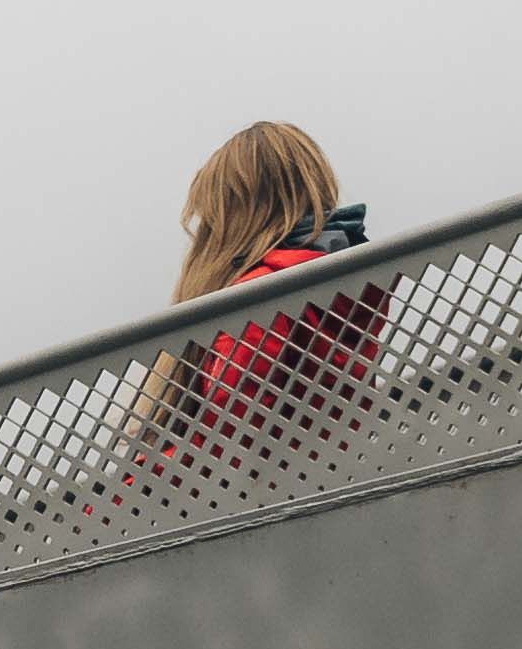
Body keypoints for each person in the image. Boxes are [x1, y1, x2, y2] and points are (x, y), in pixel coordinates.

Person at [145, 121, 384, 453]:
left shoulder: (262, 295)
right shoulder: (341, 284)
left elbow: (231, 433)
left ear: (235, 218)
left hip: (262, 491)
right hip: (328, 470)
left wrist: (116, 495)